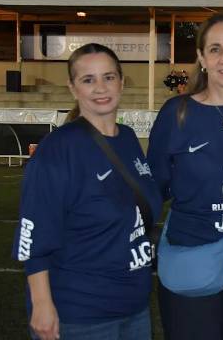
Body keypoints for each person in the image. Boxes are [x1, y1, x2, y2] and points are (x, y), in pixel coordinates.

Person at [12, 43, 162, 340]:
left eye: (108, 77)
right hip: (80, 313)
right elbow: (34, 236)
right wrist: (41, 304)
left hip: (135, 308)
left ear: (121, 81)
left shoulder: (129, 139)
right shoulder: (58, 150)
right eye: (88, 79)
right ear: (72, 87)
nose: (100, 87)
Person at [147, 13, 223, 339]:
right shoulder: (178, 114)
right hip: (193, 256)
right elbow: (152, 189)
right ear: (201, 58)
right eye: (215, 49)